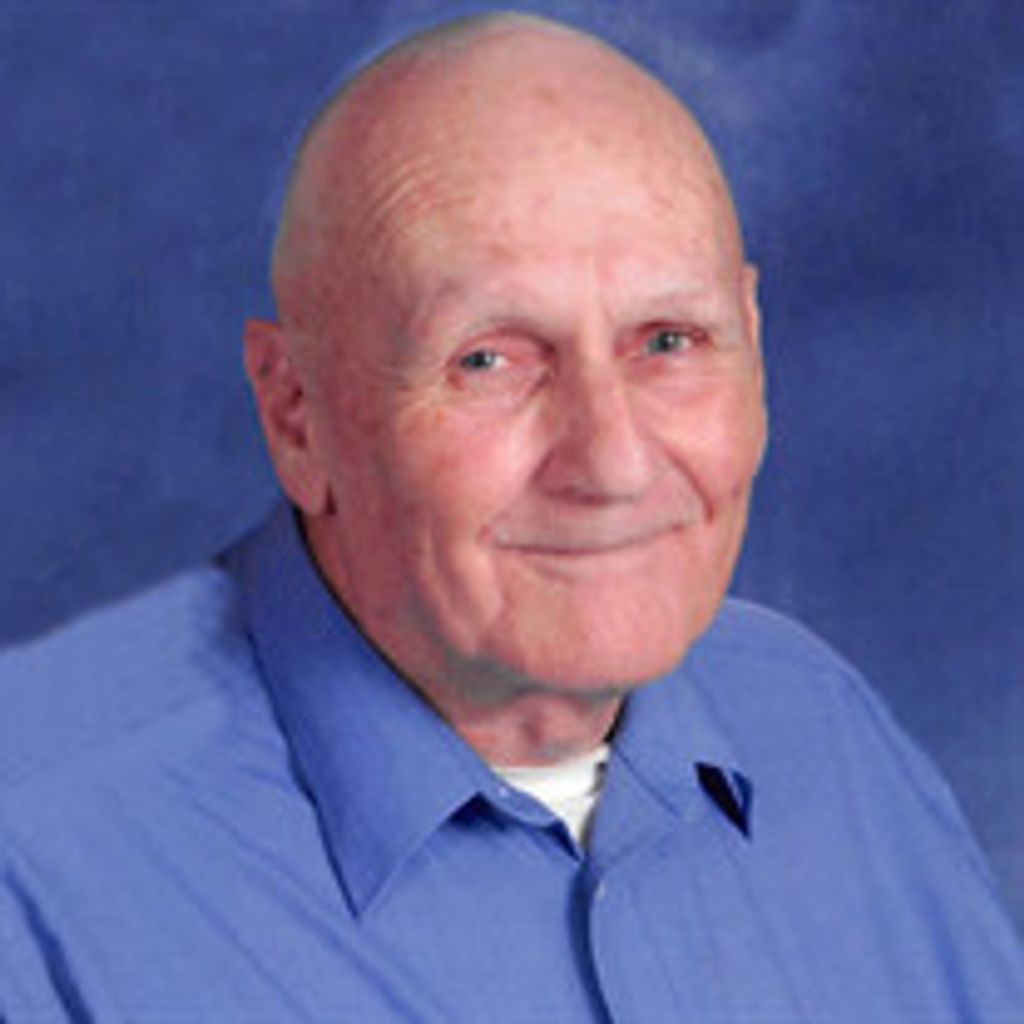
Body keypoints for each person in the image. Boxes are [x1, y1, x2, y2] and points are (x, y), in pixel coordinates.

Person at [1, 11, 1021, 1022]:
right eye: (487, 360)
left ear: (751, 342)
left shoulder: (817, 725)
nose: (613, 464)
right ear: (296, 413)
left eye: (668, 341)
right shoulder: (35, 859)